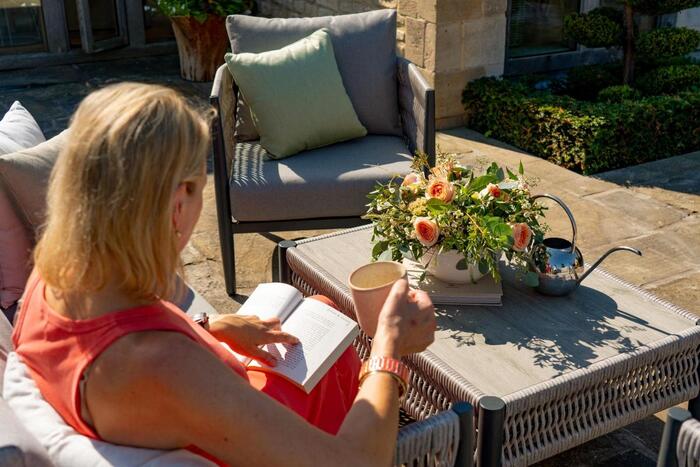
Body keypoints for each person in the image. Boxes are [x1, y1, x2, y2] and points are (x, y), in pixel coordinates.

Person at [11, 83, 436, 466]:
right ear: (177, 204)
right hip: (231, 437)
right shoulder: (163, 366)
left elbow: (109, 340)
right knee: (345, 345)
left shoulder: (52, 276)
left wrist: (206, 326)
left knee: (322, 311)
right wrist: (390, 351)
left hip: (190, 413)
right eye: (200, 183)